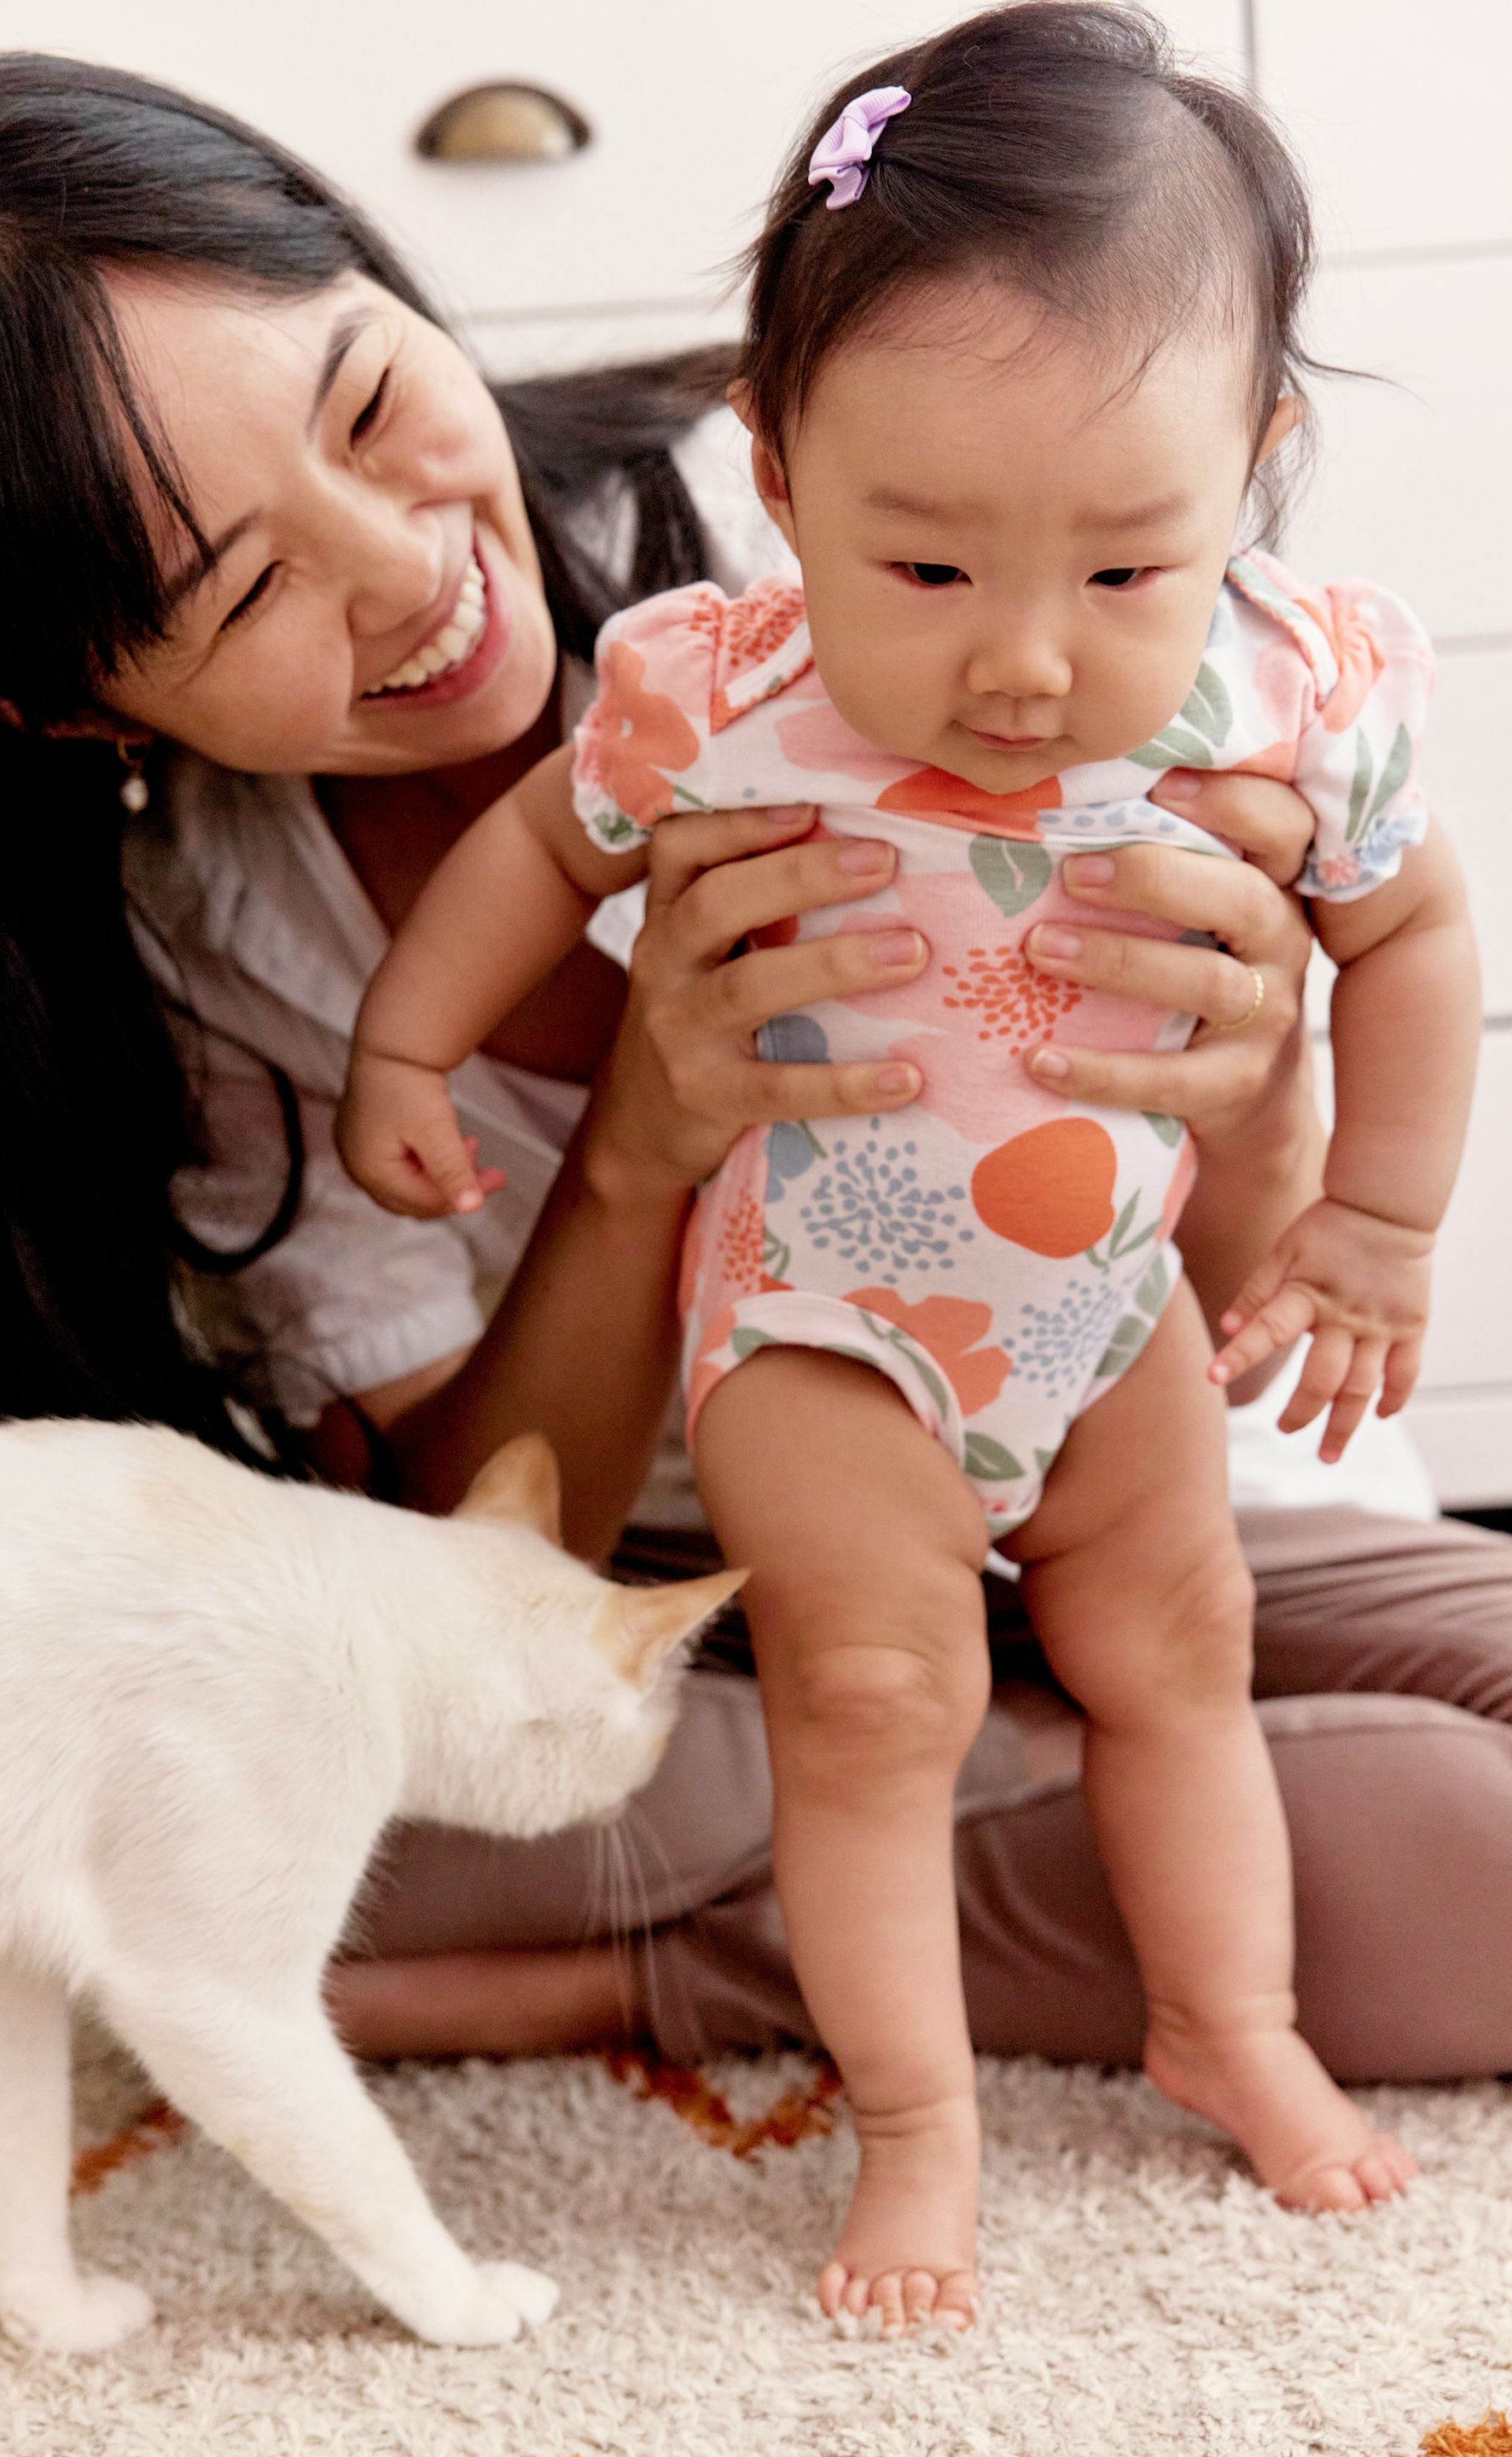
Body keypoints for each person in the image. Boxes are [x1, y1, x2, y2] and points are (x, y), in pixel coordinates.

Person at [0, 38, 1509, 2326]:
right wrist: (625, 1144)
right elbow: (476, 1557)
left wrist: (1288, 1123)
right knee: (1400, 1845)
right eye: (242, 585)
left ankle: (777, 1899)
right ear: (61, 707)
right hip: (724, 1543)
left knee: (1262, 1681)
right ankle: (860, 1948)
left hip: (1131, 1394)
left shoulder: (963, 481)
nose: (408, 574)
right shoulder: (281, 921)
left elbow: (1311, 1113)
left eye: (365, 407)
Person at [329, 4, 1474, 2325]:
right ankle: (918, 2125)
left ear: (1254, 468)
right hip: (820, 1318)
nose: (1031, 664)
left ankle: (1222, 2024)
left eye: (1127, 569)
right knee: (878, 1697)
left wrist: (1377, 1212)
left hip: (1113, 1307)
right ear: (777, 469)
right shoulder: (712, 683)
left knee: (1185, 1652)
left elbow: (1419, 927)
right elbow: (546, 849)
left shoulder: (1301, 684)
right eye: (929, 572)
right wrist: (409, 1037)